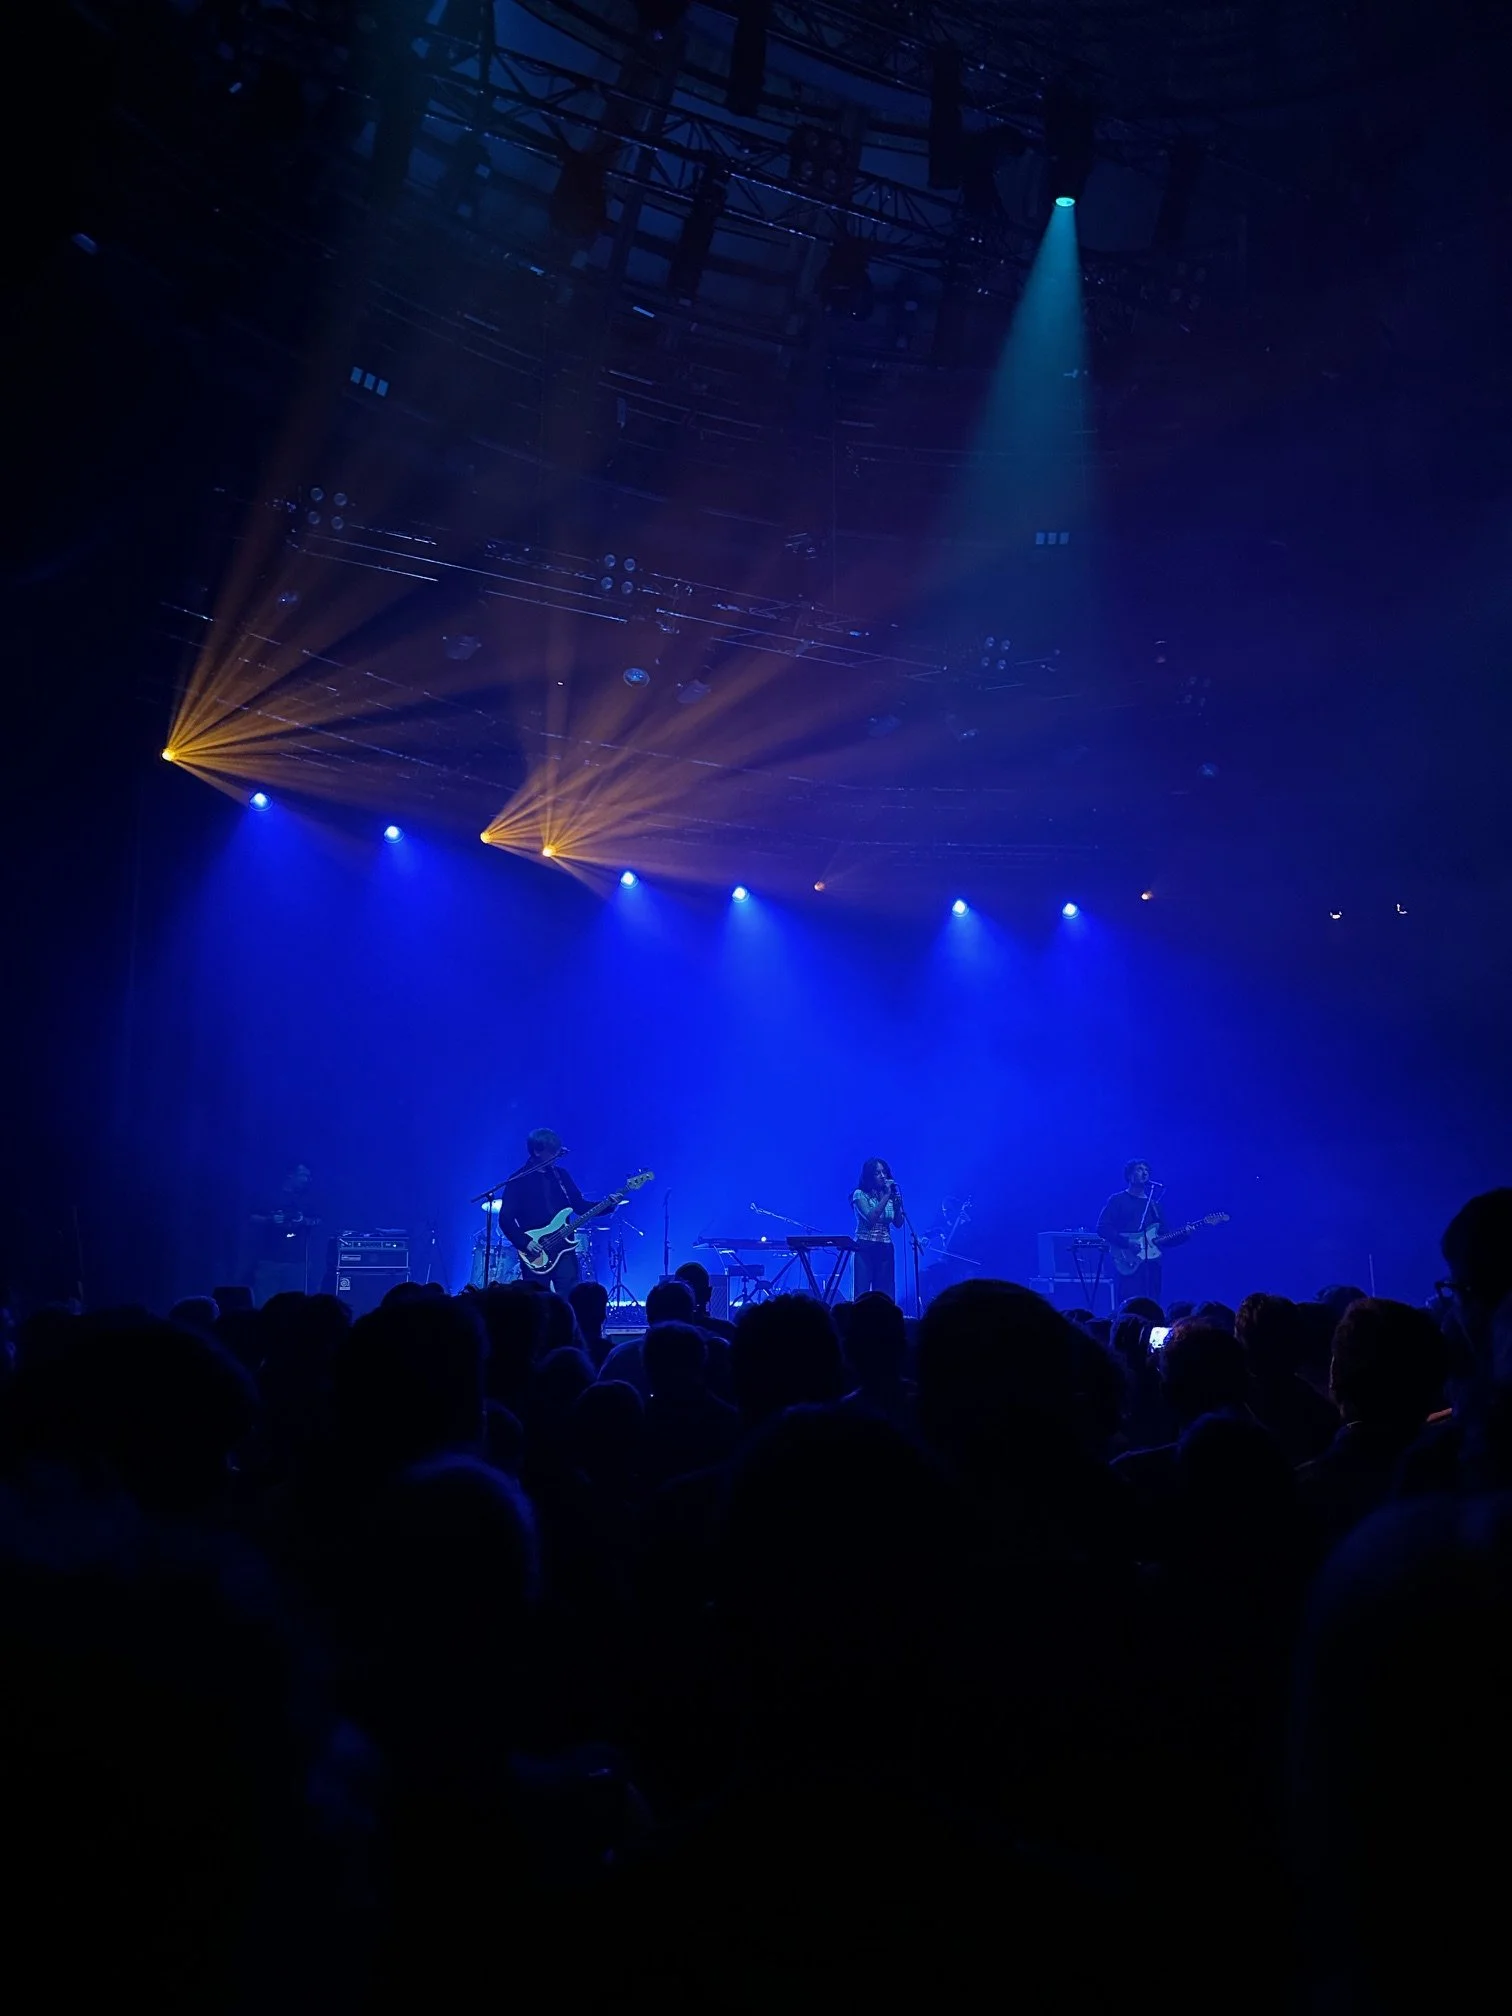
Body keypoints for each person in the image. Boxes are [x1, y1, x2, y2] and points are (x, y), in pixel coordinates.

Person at [497, 1129, 601, 1292]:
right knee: (538, 1301)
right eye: (552, 1152)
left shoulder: (561, 1176)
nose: (556, 1155)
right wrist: (525, 1243)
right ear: (537, 1151)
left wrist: (608, 1204)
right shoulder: (518, 1180)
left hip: (565, 1249)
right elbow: (505, 1219)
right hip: (535, 1250)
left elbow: (579, 1206)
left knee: (569, 1298)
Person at [1097, 1160, 1167, 1306]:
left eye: (1146, 1170)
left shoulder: (1154, 1205)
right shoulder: (1118, 1200)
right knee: (1130, 1304)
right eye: (1139, 1169)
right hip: (1127, 1261)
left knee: (1152, 1304)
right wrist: (1127, 1243)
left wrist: (1186, 1233)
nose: (1144, 1172)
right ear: (1129, 1175)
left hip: (1152, 1265)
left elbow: (1165, 1235)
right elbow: (1103, 1227)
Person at [249, 1162, 320, 1304]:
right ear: (290, 1175)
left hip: (298, 1261)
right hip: (270, 1259)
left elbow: (320, 1221)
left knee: (296, 1304)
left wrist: (303, 1220)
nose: (306, 1179)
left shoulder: (309, 1199)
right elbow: (251, 1217)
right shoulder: (270, 1195)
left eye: (309, 1176)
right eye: (303, 1175)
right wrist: (271, 1219)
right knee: (264, 1301)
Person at [851, 1158, 905, 1301]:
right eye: (877, 1173)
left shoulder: (889, 1196)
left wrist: (897, 1206)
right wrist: (886, 1196)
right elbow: (871, 1218)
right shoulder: (859, 1194)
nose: (883, 1176)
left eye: (884, 1172)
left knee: (885, 1293)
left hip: (885, 1247)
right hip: (865, 1247)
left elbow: (898, 1223)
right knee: (862, 1293)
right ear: (869, 1176)